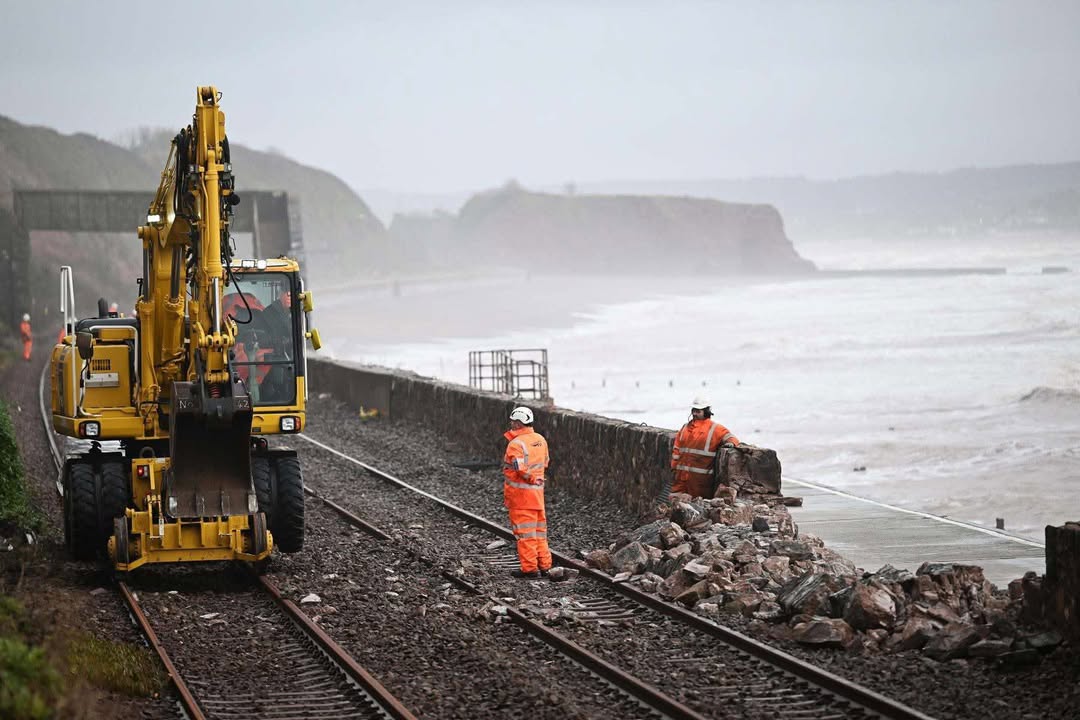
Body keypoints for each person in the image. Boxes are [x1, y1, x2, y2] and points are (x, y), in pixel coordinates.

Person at [502, 406, 553, 579]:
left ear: (518, 423)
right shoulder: (540, 439)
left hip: (521, 498)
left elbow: (519, 468)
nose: (511, 424)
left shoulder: (516, 444)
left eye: (513, 421)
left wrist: (530, 478)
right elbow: (545, 462)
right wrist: (535, 479)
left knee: (525, 535)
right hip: (537, 496)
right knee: (539, 533)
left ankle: (530, 569)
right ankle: (545, 566)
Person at [670, 397, 740, 499]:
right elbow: (676, 449)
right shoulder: (685, 427)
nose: (694, 413)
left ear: (706, 412)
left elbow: (731, 437)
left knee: (697, 508)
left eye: (698, 411)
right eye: (693, 410)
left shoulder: (715, 428)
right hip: (680, 480)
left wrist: (731, 443)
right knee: (673, 506)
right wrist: (674, 468)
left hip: (700, 483)